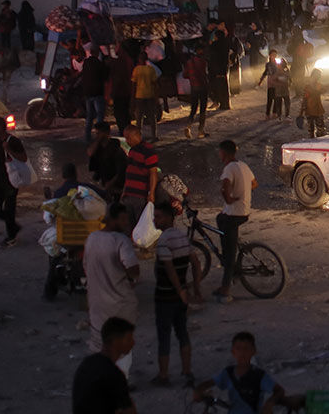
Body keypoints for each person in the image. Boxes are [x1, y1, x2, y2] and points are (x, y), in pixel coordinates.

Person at [152, 204, 203, 388]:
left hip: (166, 297)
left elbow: (169, 268)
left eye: (158, 217)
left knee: (164, 337)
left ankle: (163, 375)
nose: (154, 220)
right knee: (182, 333)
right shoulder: (182, 237)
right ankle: (187, 371)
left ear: (167, 218)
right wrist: (195, 288)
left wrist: (179, 289)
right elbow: (196, 264)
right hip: (182, 298)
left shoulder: (164, 241)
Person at [84, 204, 140, 365]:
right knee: (122, 343)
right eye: (124, 220)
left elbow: (86, 267)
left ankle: (101, 375)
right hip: (120, 304)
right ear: (115, 219)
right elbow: (133, 269)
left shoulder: (92, 238)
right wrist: (130, 278)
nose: (126, 224)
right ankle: (120, 380)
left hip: (97, 302)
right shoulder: (121, 241)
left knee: (99, 343)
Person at [193, 332, 300, 414]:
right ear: (233, 352)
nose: (242, 353)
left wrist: (270, 403)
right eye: (238, 349)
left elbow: (279, 390)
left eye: (246, 349)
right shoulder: (228, 372)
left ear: (253, 351)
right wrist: (198, 390)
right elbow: (210, 383)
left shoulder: (259, 375)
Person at [215, 140, 256, 303]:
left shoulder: (229, 168)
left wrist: (230, 199)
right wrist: (243, 191)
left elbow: (224, 187)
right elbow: (254, 183)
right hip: (243, 211)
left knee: (229, 253)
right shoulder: (243, 166)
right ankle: (230, 270)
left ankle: (226, 289)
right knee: (220, 220)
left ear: (224, 153)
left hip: (234, 213)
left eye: (219, 152)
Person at [72, 317, 137, 414]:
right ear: (116, 342)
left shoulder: (87, 363)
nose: (133, 342)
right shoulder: (115, 375)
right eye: (128, 339)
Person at [0, 116, 26, 247]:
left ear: (0, 127)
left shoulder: (13, 141)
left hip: (12, 181)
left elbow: (23, 158)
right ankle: (13, 226)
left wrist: (8, 150)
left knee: (9, 209)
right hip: (0, 181)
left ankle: (11, 236)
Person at [121, 125, 158, 226]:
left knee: (140, 226)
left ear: (137, 135)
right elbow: (129, 172)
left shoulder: (148, 151)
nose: (127, 141)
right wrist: (125, 191)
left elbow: (153, 173)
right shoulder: (132, 150)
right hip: (129, 194)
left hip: (140, 196)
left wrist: (151, 193)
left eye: (128, 137)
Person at [87, 122, 128, 195]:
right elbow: (90, 153)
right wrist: (98, 140)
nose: (97, 135)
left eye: (99, 133)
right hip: (104, 179)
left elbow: (121, 169)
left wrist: (111, 183)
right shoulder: (97, 146)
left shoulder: (115, 147)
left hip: (116, 181)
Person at [81, 50, 109, 143]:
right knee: (99, 114)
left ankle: (87, 137)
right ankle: (99, 135)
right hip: (97, 93)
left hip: (87, 93)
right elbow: (105, 77)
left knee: (89, 115)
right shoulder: (99, 64)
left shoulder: (86, 63)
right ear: (97, 54)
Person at [129, 53, 159, 141]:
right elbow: (155, 84)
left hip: (139, 96)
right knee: (152, 117)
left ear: (139, 59)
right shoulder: (151, 69)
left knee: (139, 117)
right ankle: (154, 135)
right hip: (149, 95)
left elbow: (134, 86)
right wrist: (156, 98)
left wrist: (132, 99)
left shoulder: (136, 70)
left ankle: (139, 137)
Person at [184, 45, 210, 139]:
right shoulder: (203, 62)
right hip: (203, 87)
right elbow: (205, 74)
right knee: (203, 109)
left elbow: (185, 75)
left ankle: (188, 126)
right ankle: (200, 131)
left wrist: (192, 78)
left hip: (193, 87)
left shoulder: (189, 62)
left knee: (193, 109)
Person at [256, 50, 290, 120]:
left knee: (277, 99)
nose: (274, 56)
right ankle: (267, 114)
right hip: (271, 84)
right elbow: (265, 72)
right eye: (272, 55)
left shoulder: (278, 64)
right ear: (270, 55)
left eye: (275, 55)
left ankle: (275, 113)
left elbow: (283, 72)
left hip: (277, 85)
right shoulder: (268, 64)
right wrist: (260, 81)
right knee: (270, 99)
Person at [109, 45, 134, 135]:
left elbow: (118, 78)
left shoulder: (120, 61)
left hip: (120, 92)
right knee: (125, 115)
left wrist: (112, 92)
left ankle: (124, 133)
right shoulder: (127, 60)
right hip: (126, 91)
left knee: (120, 115)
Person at [208, 22, 232, 111]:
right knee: (224, 86)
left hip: (217, 68)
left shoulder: (215, 45)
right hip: (224, 68)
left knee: (219, 86)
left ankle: (221, 103)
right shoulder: (226, 43)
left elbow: (212, 54)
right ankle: (226, 104)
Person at [301, 69, 326, 136]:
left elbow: (324, 90)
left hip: (315, 109)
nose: (318, 77)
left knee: (317, 130)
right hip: (312, 109)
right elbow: (304, 99)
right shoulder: (308, 87)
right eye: (318, 75)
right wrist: (302, 111)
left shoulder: (316, 85)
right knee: (315, 130)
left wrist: (302, 111)